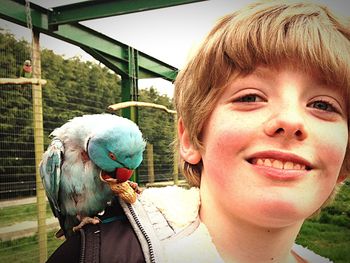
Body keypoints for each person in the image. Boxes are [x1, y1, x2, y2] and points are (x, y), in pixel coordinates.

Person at [47, 0, 350, 262]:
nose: (291, 121)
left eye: (323, 105)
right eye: (250, 97)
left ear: (344, 160)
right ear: (190, 138)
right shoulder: (92, 256)